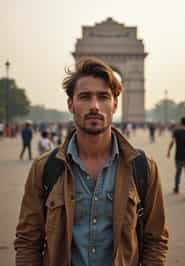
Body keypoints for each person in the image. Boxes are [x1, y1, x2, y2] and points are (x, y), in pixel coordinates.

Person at [15, 57, 168, 266]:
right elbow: (28, 242)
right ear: (70, 104)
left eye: (103, 97)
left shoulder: (143, 169)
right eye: (85, 97)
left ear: (115, 104)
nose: (95, 106)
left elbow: (155, 241)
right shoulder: (44, 169)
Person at [167, 117, 185, 200]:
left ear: (181, 123)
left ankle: (176, 188)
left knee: (178, 173)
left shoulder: (176, 132)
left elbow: (172, 142)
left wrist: (168, 151)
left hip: (178, 156)